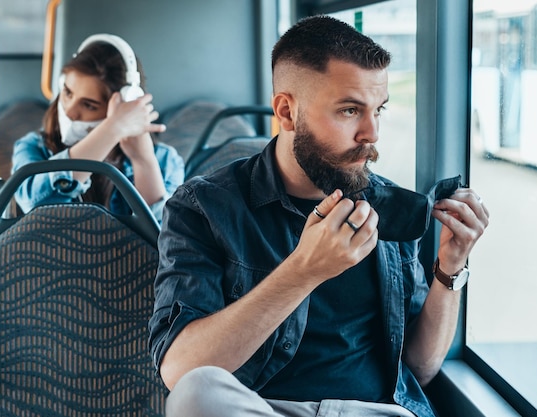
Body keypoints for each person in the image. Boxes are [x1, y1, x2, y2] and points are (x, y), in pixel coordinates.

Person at [148, 15, 489, 417]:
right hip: (262, 409)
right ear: (287, 112)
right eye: (349, 110)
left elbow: (417, 368)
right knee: (196, 392)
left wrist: (450, 267)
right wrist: (303, 271)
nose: (372, 133)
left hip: (375, 411)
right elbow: (179, 369)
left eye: (378, 109)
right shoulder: (203, 207)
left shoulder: (389, 205)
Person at [12, 34, 184, 223]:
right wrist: (113, 129)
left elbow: (166, 241)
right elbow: (34, 209)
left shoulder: (165, 161)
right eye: (68, 93)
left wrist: (143, 161)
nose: (70, 111)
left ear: (126, 105)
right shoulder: (33, 147)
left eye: (89, 105)